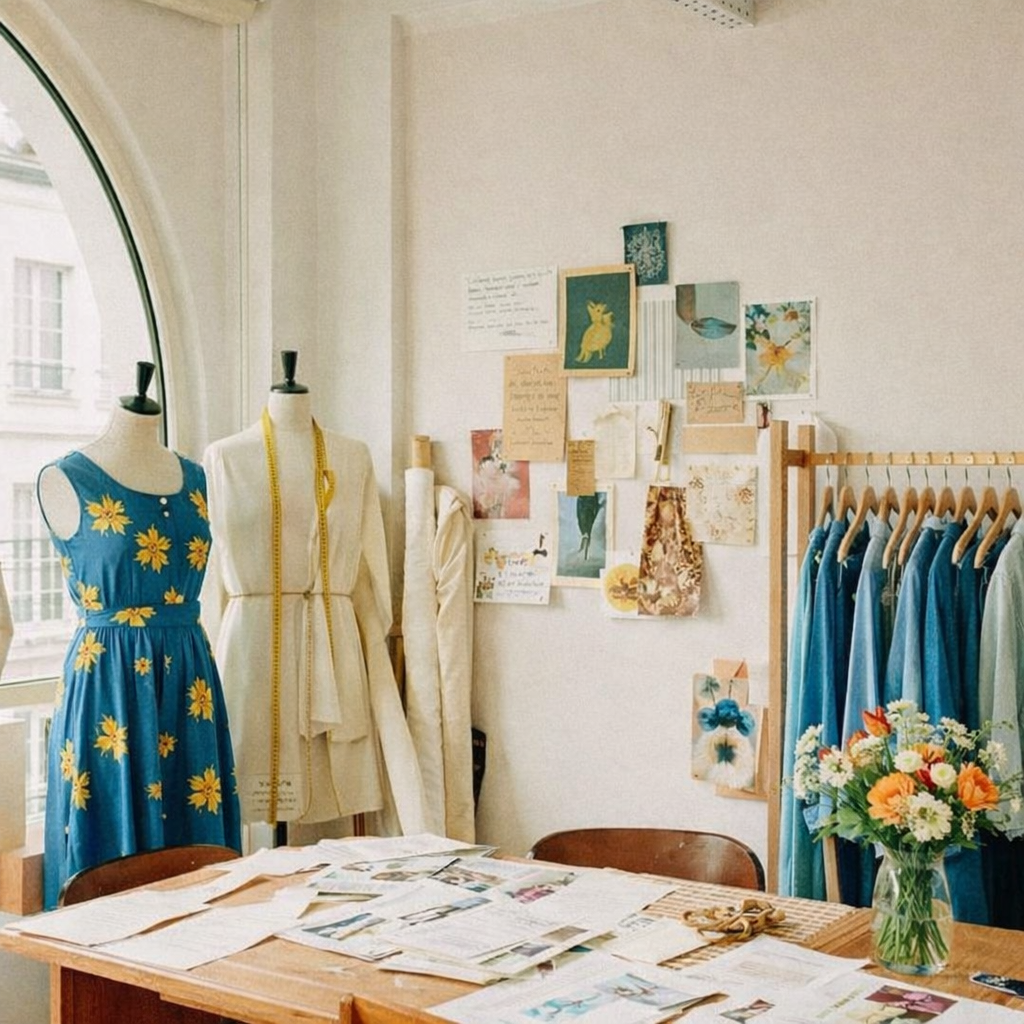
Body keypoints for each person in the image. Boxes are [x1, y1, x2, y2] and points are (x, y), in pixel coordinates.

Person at [36, 362, 242, 908]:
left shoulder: (196, 477)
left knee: (199, 858)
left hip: (188, 675)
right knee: (107, 861)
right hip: (109, 683)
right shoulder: (67, 479)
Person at [202, 352, 426, 835]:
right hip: (251, 644)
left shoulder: (352, 455)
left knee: (335, 783)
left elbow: (371, 563)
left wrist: (360, 642)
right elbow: (214, 574)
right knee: (251, 770)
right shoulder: (224, 457)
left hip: (334, 629)